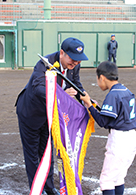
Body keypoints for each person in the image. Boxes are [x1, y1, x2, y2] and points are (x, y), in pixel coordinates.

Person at [15, 37, 88, 195]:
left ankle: (49, 187)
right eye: (73, 59)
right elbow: (38, 88)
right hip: (31, 114)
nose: (75, 63)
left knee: (47, 152)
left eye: (78, 61)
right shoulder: (44, 63)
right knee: (33, 155)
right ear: (62, 53)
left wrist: (86, 100)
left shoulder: (74, 66)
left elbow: (75, 83)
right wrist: (62, 95)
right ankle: (37, 189)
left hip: (51, 117)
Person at [80, 61, 136, 195]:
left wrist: (89, 105)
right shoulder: (125, 90)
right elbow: (113, 115)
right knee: (118, 178)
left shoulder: (112, 94)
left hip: (120, 140)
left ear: (102, 77)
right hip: (132, 137)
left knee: (106, 180)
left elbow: (103, 122)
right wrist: (95, 107)